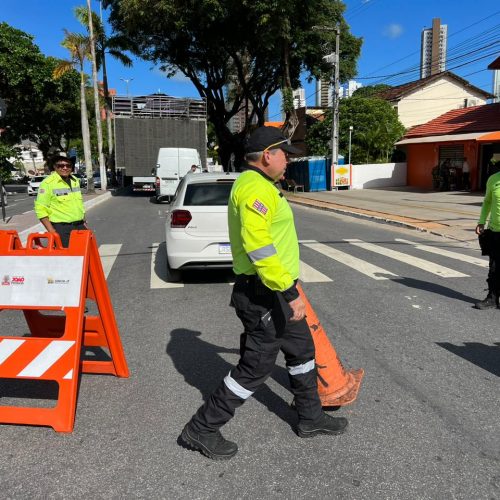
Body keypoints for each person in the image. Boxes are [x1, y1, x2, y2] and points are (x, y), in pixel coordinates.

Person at [180, 126, 348, 460]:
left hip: (276, 290)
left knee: (301, 351)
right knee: (255, 367)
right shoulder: (254, 188)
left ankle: (310, 417)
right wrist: (289, 291)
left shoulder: (262, 185)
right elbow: (259, 247)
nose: (288, 161)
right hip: (265, 292)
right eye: (285, 154)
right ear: (268, 155)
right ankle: (202, 428)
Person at [34, 155, 88, 248]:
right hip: (62, 229)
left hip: (79, 225)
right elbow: (41, 209)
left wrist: (83, 222)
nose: (65, 168)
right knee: (68, 258)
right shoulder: (48, 183)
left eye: (68, 165)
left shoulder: (75, 180)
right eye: (61, 166)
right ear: (55, 167)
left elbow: (78, 203)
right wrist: (52, 231)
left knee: (85, 255)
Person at [474, 162, 500, 309]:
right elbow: (488, 201)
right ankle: (492, 298)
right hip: (496, 231)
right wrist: (481, 221)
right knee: (494, 267)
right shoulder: (493, 179)